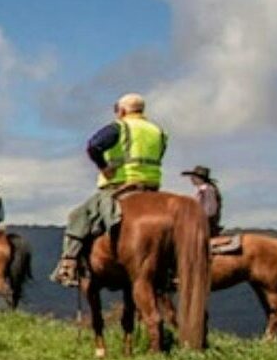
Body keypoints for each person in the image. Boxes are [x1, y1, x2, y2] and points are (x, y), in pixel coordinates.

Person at [51, 92, 167, 287]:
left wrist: (104, 167)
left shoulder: (119, 127)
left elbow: (93, 146)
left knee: (78, 216)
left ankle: (68, 264)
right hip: (152, 188)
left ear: (121, 110)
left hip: (121, 185)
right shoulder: (158, 131)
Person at [182, 165, 222, 236]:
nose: (191, 178)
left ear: (200, 178)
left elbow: (207, 210)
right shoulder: (209, 188)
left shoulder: (205, 189)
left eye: (194, 177)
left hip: (204, 225)